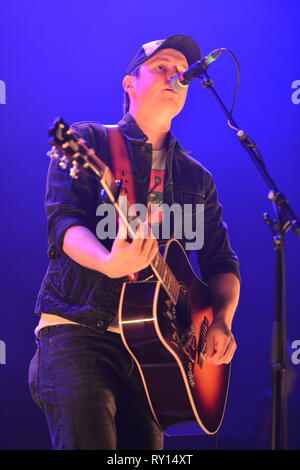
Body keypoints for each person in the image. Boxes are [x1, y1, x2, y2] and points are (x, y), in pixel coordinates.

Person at [28, 34, 240, 450]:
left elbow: (221, 262)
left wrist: (220, 320)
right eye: (161, 65)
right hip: (80, 331)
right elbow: (64, 224)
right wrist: (108, 261)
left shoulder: (197, 177)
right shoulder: (89, 140)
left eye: (182, 71)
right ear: (129, 84)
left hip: (158, 351)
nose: (175, 74)